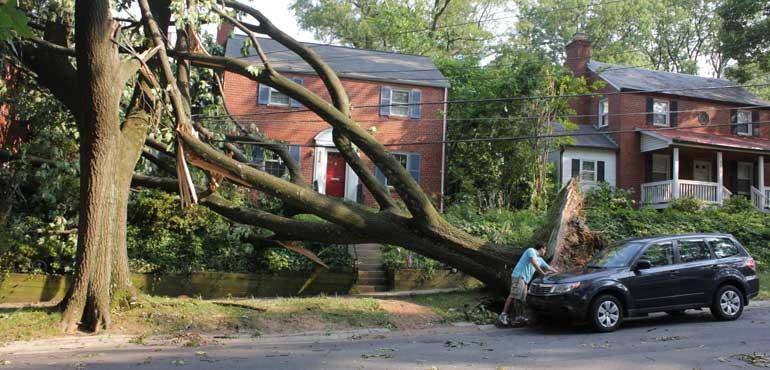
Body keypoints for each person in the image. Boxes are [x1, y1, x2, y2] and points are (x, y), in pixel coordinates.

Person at [498, 242, 558, 327]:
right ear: (542, 248)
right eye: (545, 250)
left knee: (523, 298)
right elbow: (533, 262)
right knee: (514, 295)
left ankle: (519, 317)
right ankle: (503, 315)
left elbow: (549, 267)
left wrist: (559, 273)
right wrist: (543, 273)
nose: (545, 252)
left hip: (525, 280)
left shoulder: (540, 260)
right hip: (519, 276)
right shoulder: (531, 251)